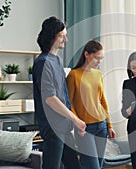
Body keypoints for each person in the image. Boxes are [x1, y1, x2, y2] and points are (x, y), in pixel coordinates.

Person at [33, 16, 86, 169]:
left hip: (63, 126)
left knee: (74, 165)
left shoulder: (56, 60)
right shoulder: (43, 63)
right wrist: (75, 119)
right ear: (52, 36)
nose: (66, 40)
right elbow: (50, 99)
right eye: (62, 36)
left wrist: (73, 122)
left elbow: (63, 97)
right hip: (53, 128)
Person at [66, 40, 116, 169]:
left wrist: (109, 125)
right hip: (85, 128)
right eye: (96, 58)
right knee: (93, 166)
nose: (99, 62)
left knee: (99, 165)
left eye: (101, 58)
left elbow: (103, 101)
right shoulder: (73, 75)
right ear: (86, 54)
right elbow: (69, 102)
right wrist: (78, 123)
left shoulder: (98, 74)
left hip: (102, 126)